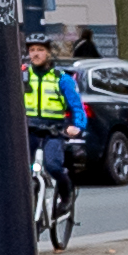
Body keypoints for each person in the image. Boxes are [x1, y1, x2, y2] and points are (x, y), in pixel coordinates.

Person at [21, 32, 84, 197]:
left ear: (48, 52)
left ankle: (66, 195)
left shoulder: (61, 78)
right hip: (29, 129)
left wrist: (76, 126)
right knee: (21, 169)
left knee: (53, 166)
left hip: (54, 130)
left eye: (40, 50)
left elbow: (77, 107)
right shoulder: (22, 76)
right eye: (32, 50)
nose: (35, 54)